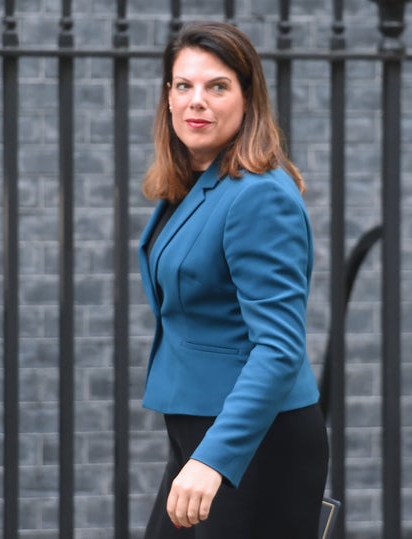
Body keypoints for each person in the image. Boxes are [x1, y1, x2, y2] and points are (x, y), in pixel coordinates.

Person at [138, 20, 329, 539]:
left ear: (248, 99)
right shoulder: (196, 185)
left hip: (251, 446)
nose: (196, 101)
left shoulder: (257, 195)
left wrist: (215, 459)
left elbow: (279, 347)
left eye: (217, 86)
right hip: (198, 435)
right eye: (184, 86)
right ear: (168, 98)